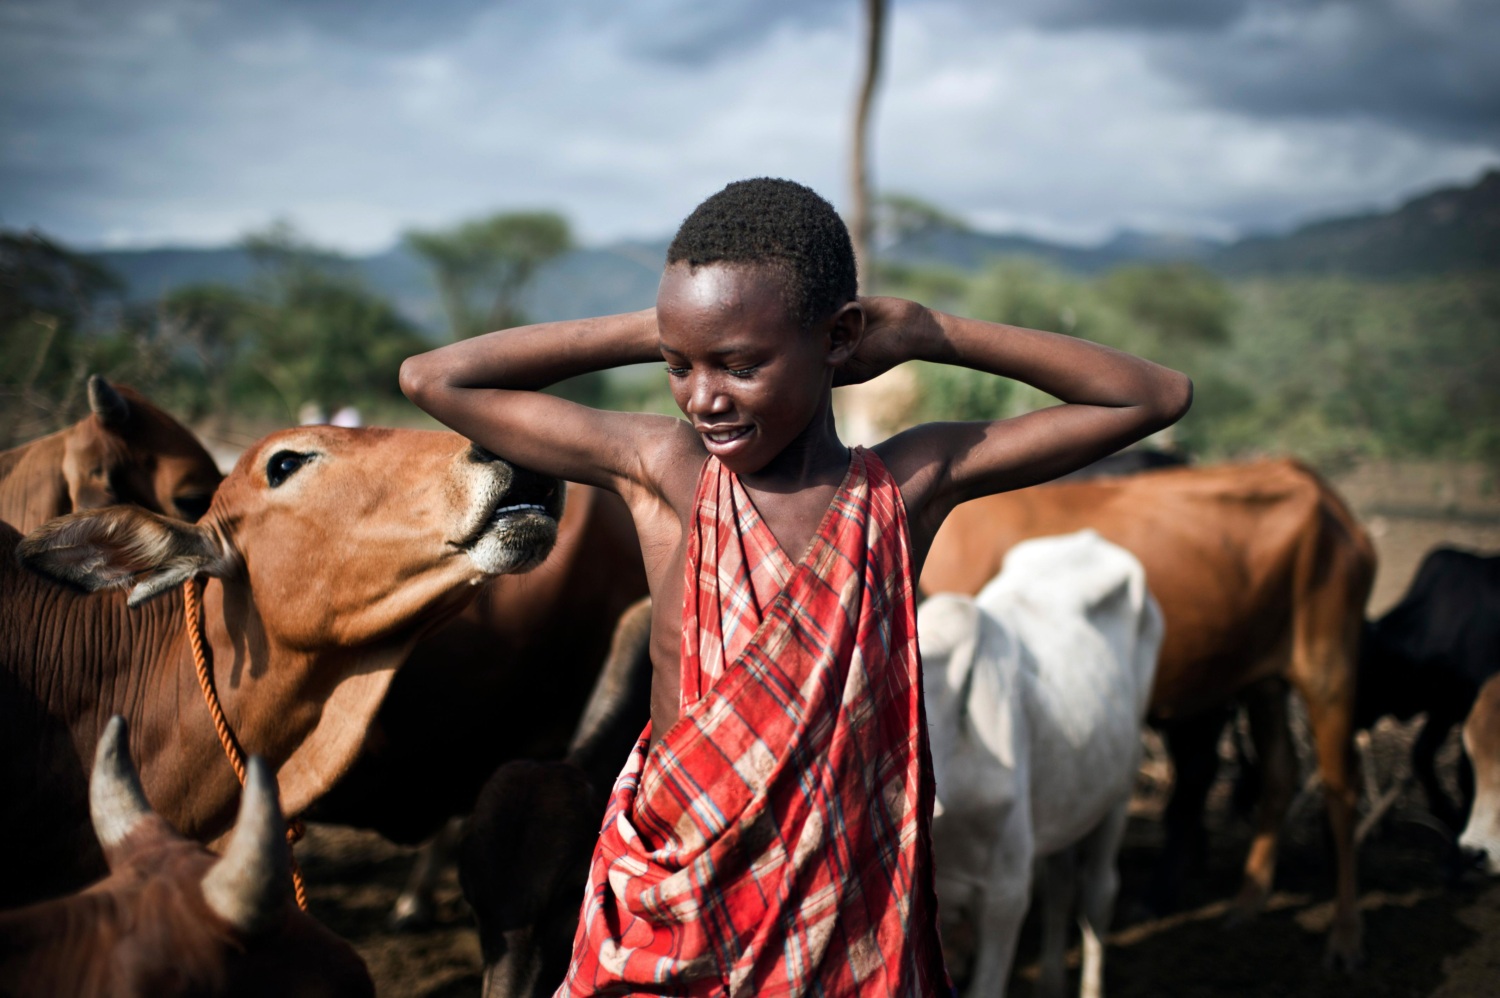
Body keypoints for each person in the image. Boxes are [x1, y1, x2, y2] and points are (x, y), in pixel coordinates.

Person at [400, 177, 1191, 996]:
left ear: (840, 338)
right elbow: (435, 379)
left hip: (839, 929)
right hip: (673, 918)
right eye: (680, 366)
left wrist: (927, 330)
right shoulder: (667, 471)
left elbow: (1155, 395)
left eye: (739, 364)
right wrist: (671, 326)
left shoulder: (903, 488)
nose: (704, 397)